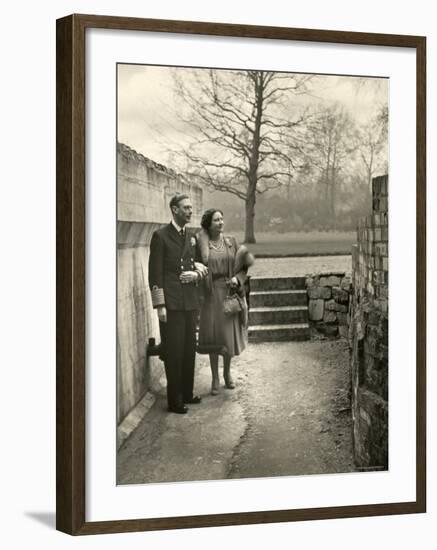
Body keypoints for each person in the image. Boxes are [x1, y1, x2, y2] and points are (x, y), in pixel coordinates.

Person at [148, 194, 208, 414]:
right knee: (174, 352)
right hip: (171, 303)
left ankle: (187, 392)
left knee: (188, 349)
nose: (190, 212)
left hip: (189, 301)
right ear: (174, 210)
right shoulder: (160, 236)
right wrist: (160, 306)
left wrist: (197, 273)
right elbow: (155, 275)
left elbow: (199, 263)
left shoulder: (191, 236)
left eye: (191, 208)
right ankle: (175, 400)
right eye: (185, 208)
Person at [196, 209, 254, 395]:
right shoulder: (202, 244)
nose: (220, 223)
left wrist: (238, 278)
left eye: (222, 219)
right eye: (216, 220)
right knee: (214, 336)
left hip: (229, 293)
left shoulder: (231, 242)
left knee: (227, 336)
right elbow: (196, 266)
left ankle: (227, 373)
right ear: (208, 224)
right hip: (211, 295)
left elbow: (245, 266)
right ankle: (215, 377)